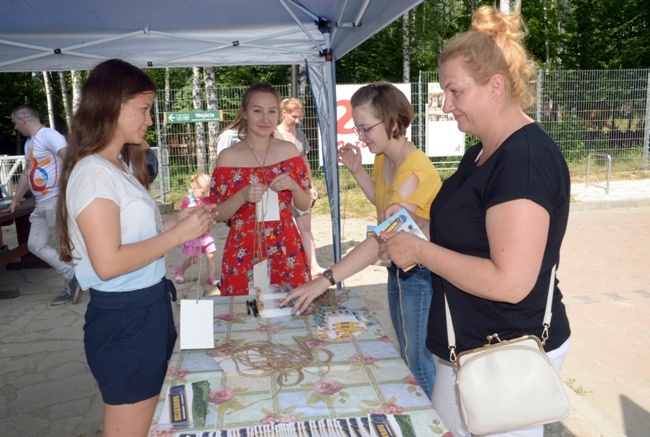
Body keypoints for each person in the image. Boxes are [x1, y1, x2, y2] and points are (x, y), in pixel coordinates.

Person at [378, 7, 572, 436]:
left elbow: (510, 282)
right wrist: (414, 224)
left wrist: (420, 251)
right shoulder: (481, 153)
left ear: (496, 87)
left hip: (506, 357)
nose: (446, 104)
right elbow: (464, 234)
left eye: (455, 91)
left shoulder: (523, 162)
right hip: (469, 350)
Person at [56, 59, 213, 436]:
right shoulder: (94, 171)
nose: (148, 119)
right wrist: (177, 235)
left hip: (144, 310)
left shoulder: (116, 166)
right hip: (126, 320)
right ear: (113, 105)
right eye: (143, 109)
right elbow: (108, 263)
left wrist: (181, 223)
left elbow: (131, 239)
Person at [281, 82, 442, 399]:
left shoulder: (415, 169)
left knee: (418, 359)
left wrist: (325, 279)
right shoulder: (385, 157)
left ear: (394, 123)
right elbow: (383, 206)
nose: (361, 136)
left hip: (419, 272)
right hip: (399, 268)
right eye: (358, 128)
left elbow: (382, 237)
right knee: (407, 350)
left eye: (367, 128)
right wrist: (357, 170)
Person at [209, 82, 312, 296]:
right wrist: (242, 196)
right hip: (243, 251)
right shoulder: (228, 157)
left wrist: (293, 186)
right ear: (245, 113)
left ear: (278, 114)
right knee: (243, 317)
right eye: (257, 111)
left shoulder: (290, 151)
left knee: (290, 316)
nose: (265, 118)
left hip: (285, 248)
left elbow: (304, 204)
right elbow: (217, 214)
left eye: (271, 111)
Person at [5, 105, 80, 306]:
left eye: (14, 123)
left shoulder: (48, 135)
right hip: (41, 203)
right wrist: (16, 199)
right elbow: (27, 173)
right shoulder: (30, 143)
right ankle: (73, 276)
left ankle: (75, 281)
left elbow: (70, 158)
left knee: (65, 246)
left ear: (22, 120)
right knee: (35, 244)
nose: (15, 128)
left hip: (55, 200)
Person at [275, 97, 324, 277]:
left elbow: (305, 161)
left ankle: (313, 265)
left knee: (305, 226)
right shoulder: (272, 134)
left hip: (300, 187)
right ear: (284, 113)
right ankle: (285, 267)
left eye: (299, 117)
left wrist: (310, 184)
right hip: (278, 188)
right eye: (294, 116)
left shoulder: (301, 135)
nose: (297, 120)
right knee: (280, 229)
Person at [175, 173, 219, 288]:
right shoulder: (188, 200)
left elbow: (214, 208)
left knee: (211, 255)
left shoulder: (208, 199)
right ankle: (179, 271)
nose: (206, 195)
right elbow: (182, 216)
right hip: (194, 235)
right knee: (194, 260)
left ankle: (211, 277)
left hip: (206, 234)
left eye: (208, 191)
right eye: (203, 192)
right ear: (194, 189)